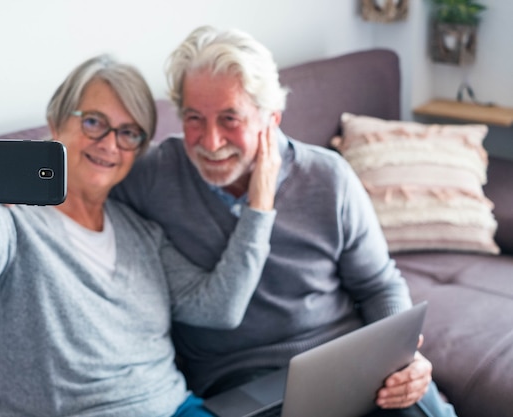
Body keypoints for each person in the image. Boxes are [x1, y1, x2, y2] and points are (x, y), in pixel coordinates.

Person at [111, 26, 457, 417]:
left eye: (230, 118)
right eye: (194, 118)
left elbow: (379, 284)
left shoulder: (329, 177)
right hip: (238, 382)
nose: (210, 141)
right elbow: (83, 184)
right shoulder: (154, 174)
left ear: (270, 118)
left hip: (345, 360)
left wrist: (405, 358)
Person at [0, 54, 281, 417]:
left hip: (174, 408)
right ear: (56, 123)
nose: (109, 144)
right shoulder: (12, 221)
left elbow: (220, 309)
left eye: (128, 133)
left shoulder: (143, 233)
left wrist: (259, 206)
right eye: (93, 122)